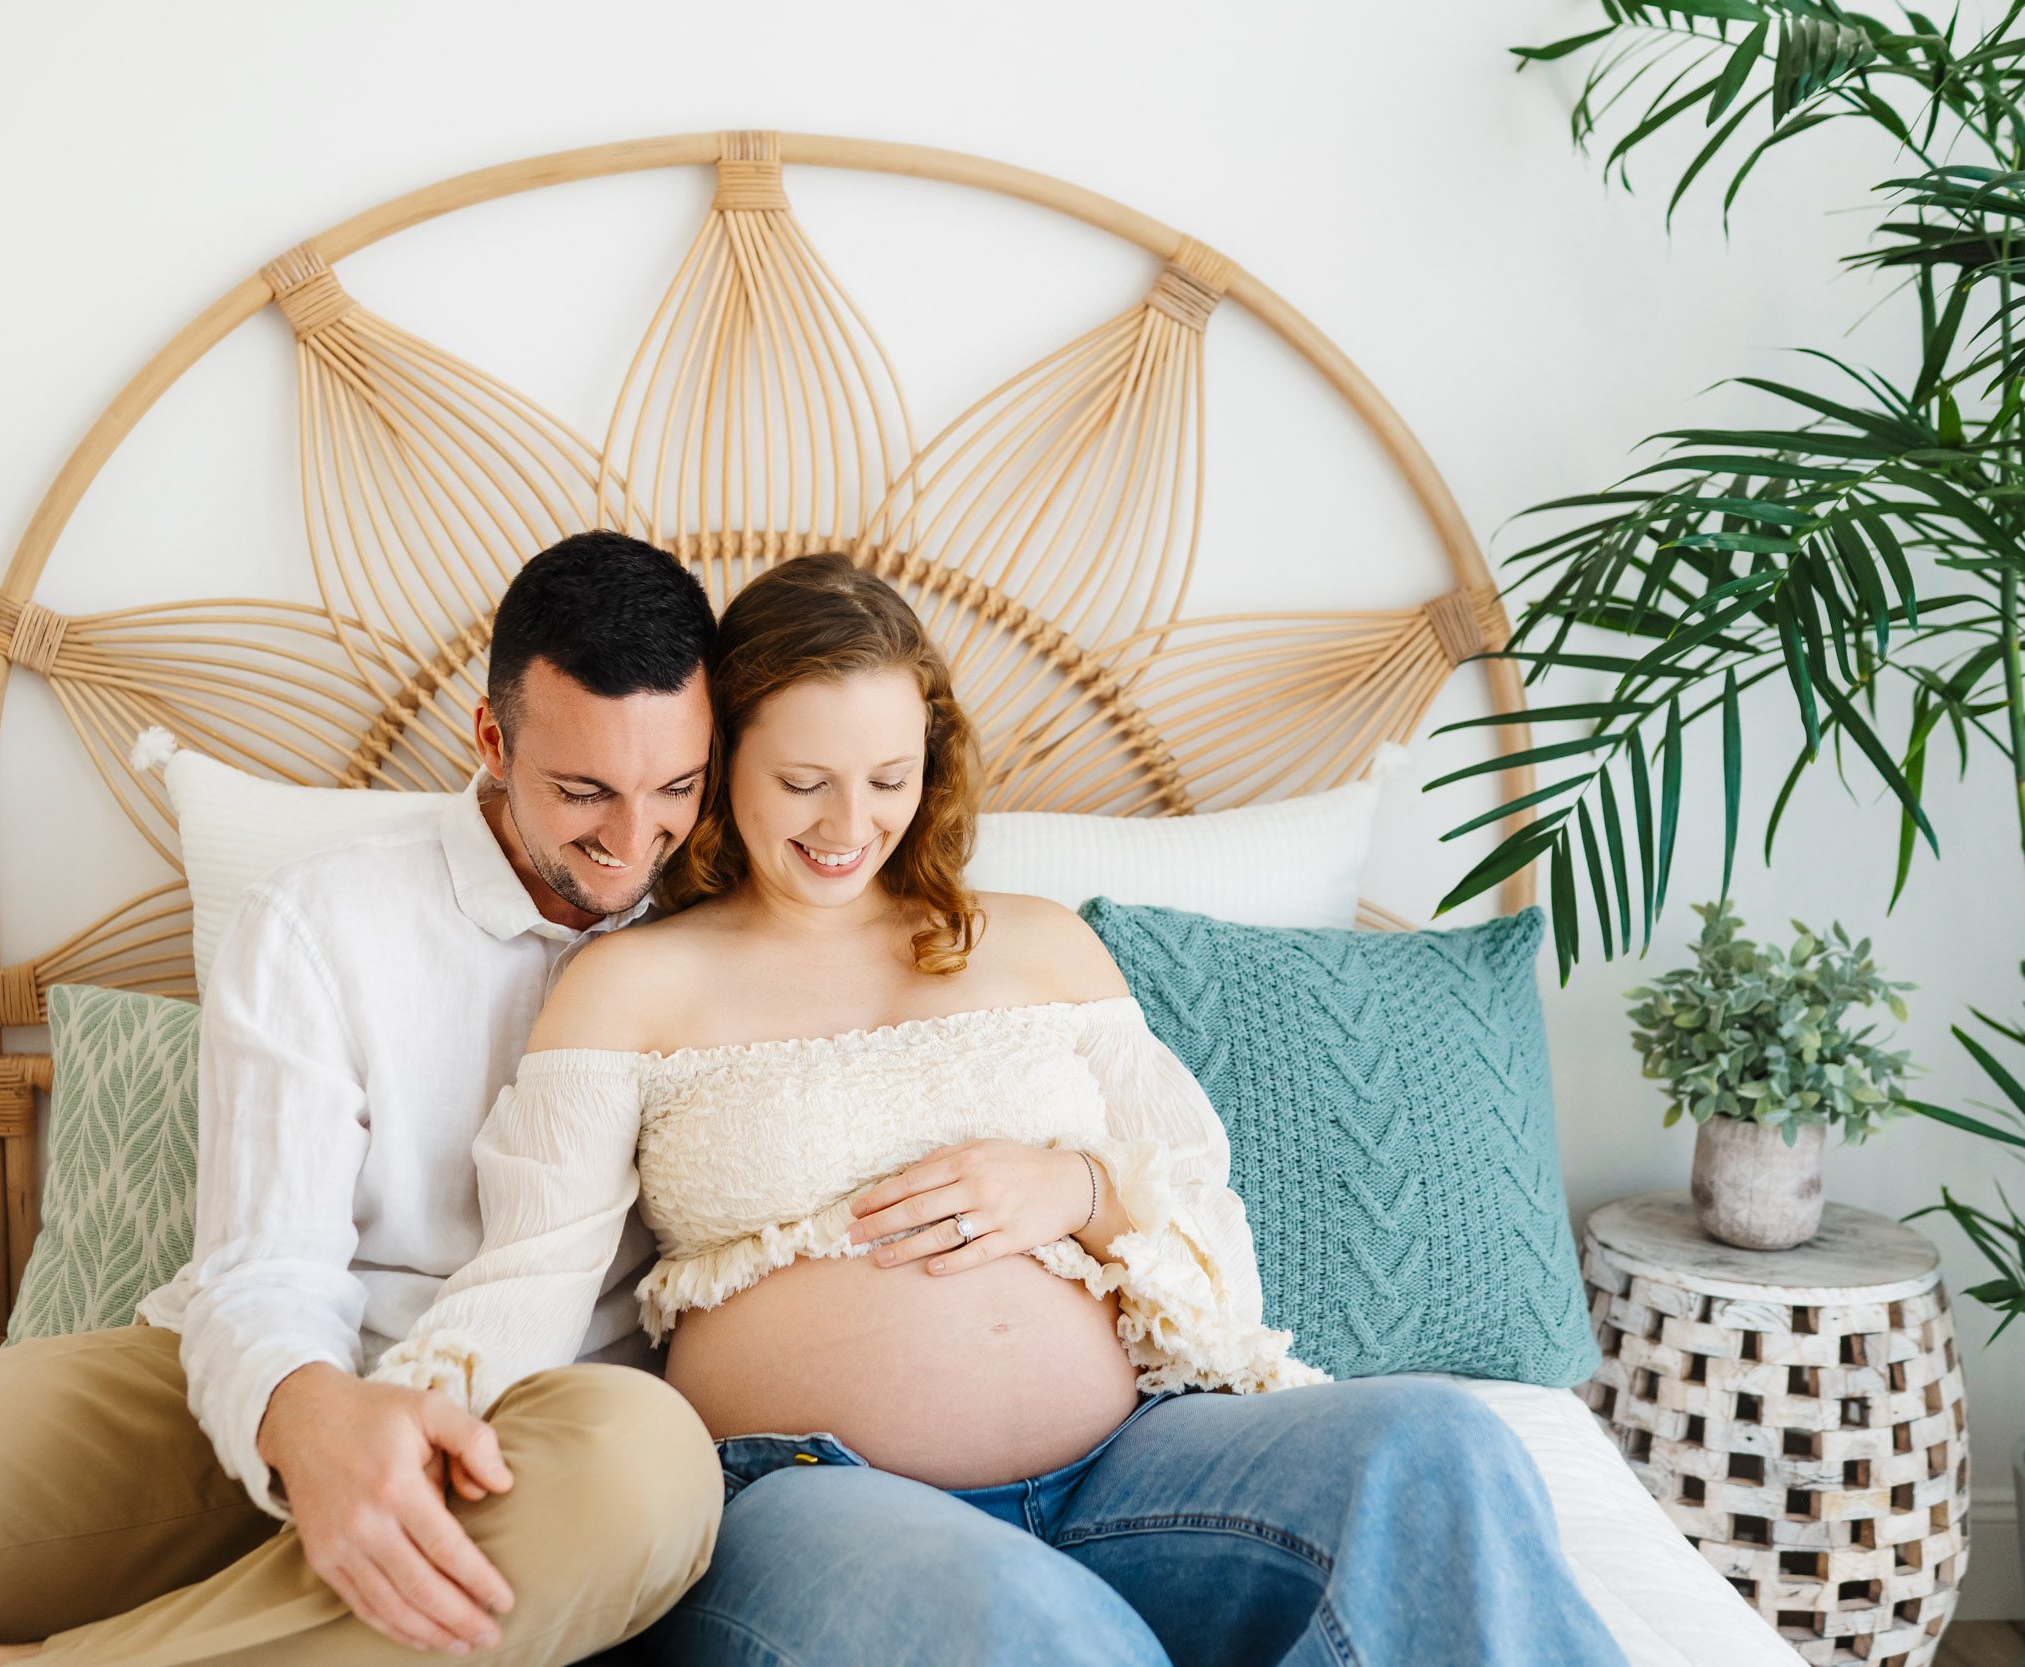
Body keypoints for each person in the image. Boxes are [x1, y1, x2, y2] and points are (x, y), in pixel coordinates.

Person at [367, 553, 1629, 1667]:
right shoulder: (630, 983)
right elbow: (530, 1273)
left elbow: (1206, 1230)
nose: (848, 824)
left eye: (887, 776)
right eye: (802, 777)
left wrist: (1075, 1187)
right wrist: (401, 1432)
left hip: (1131, 1467)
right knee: (1033, 1631)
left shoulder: (1045, 948)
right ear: (723, 759)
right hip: (811, 1499)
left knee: (1439, 1449)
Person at [0, 530, 728, 1666]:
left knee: (649, 1475)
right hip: (257, 1387)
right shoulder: (322, 919)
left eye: (675, 785)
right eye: (584, 790)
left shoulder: (739, 925)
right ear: (489, 737)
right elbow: (264, 1265)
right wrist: (309, 1414)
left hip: (533, 1438)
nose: (636, 840)